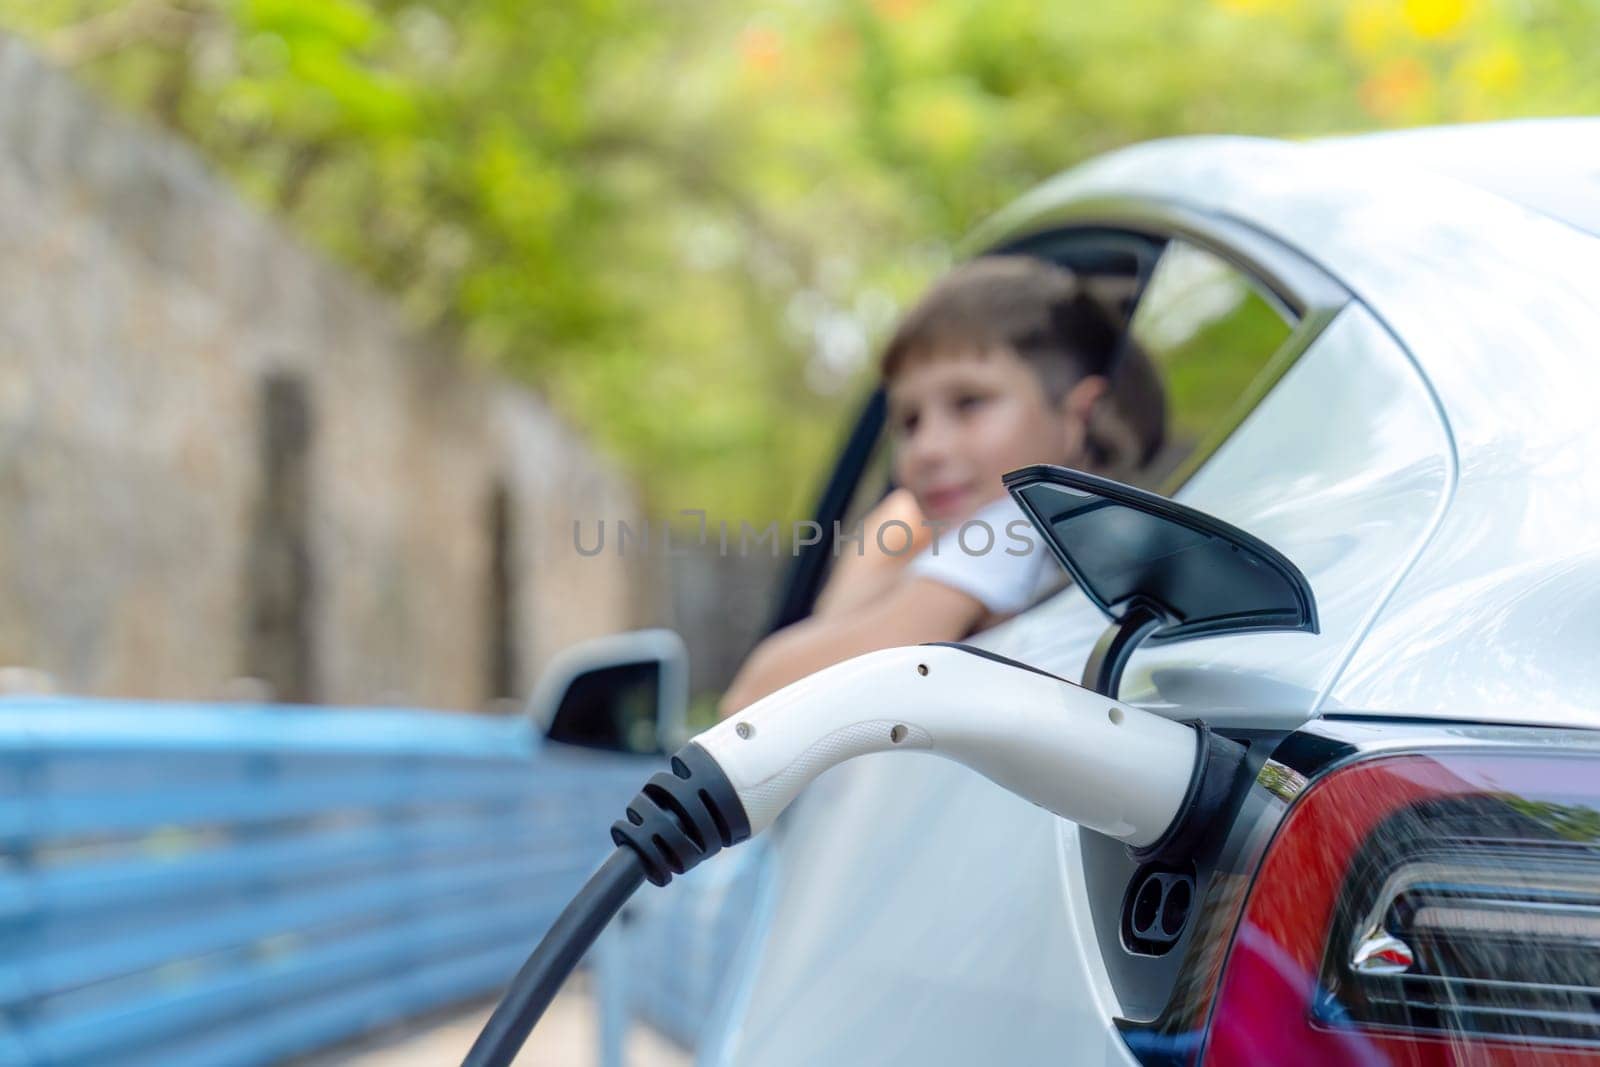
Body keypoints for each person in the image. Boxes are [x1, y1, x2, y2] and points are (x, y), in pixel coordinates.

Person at [719, 255, 1163, 715]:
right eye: (909, 422)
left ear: (1079, 417)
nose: (926, 448)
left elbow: (753, 700)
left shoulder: (1010, 526)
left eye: (969, 402)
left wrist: (877, 555)